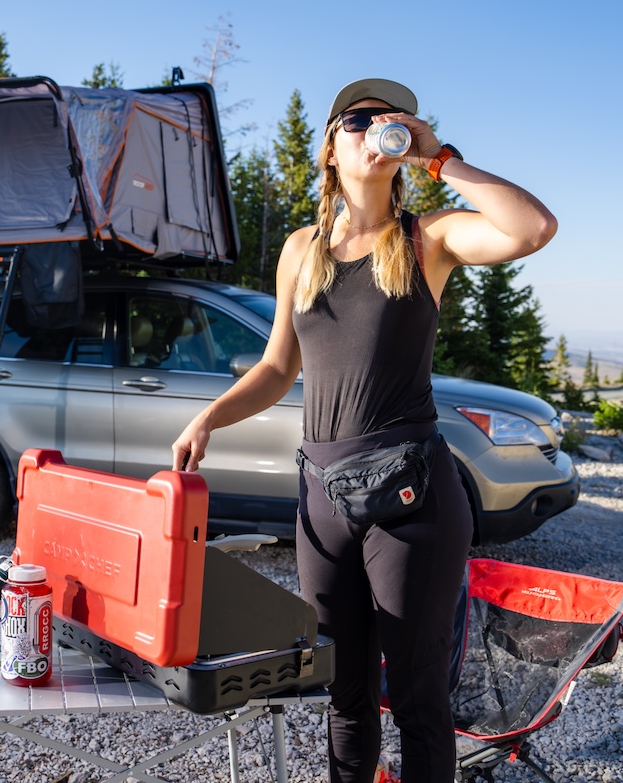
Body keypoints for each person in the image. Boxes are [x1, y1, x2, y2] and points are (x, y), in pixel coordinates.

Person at [171, 78, 557, 783]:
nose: (377, 126)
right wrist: (208, 417)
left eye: (390, 118)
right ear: (329, 149)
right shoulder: (301, 250)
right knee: (345, 698)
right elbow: (276, 367)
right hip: (321, 496)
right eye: (358, 119)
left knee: (417, 700)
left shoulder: (427, 237)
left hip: (412, 498)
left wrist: (440, 159)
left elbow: (532, 228)